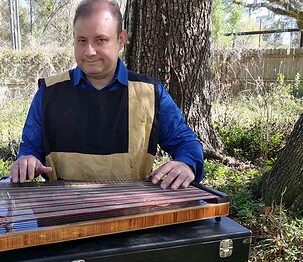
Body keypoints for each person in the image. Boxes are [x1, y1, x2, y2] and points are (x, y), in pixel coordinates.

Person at [10, 0, 204, 190]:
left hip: (132, 214)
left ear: (121, 40)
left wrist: (186, 163)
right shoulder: (49, 93)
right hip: (62, 213)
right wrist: (27, 160)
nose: (89, 51)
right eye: (82, 40)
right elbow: (30, 148)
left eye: (100, 40)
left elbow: (186, 142)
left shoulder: (150, 94)